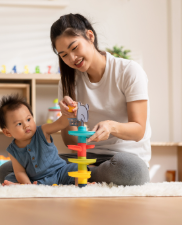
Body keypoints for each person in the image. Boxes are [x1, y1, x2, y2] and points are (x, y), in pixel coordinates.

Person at [49, 13, 150, 186]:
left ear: (90, 36)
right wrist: (69, 117)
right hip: (84, 157)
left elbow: (138, 130)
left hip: (121, 159)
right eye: (64, 55)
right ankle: (86, 175)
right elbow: (70, 141)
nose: (72, 59)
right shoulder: (69, 82)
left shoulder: (128, 71)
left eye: (74, 48)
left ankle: (82, 176)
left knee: (132, 170)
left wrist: (111, 126)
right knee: (12, 167)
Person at [0, 94, 80, 186]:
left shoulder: (43, 131)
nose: (26, 125)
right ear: (7, 132)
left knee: (76, 168)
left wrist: (69, 113)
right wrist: (28, 185)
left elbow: (60, 123)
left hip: (59, 172)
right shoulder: (12, 150)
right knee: (9, 177)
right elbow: (20, 172)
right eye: (19, 124)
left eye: (28, 119)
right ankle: (25, 186)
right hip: (36, 179)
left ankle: (81, 183)